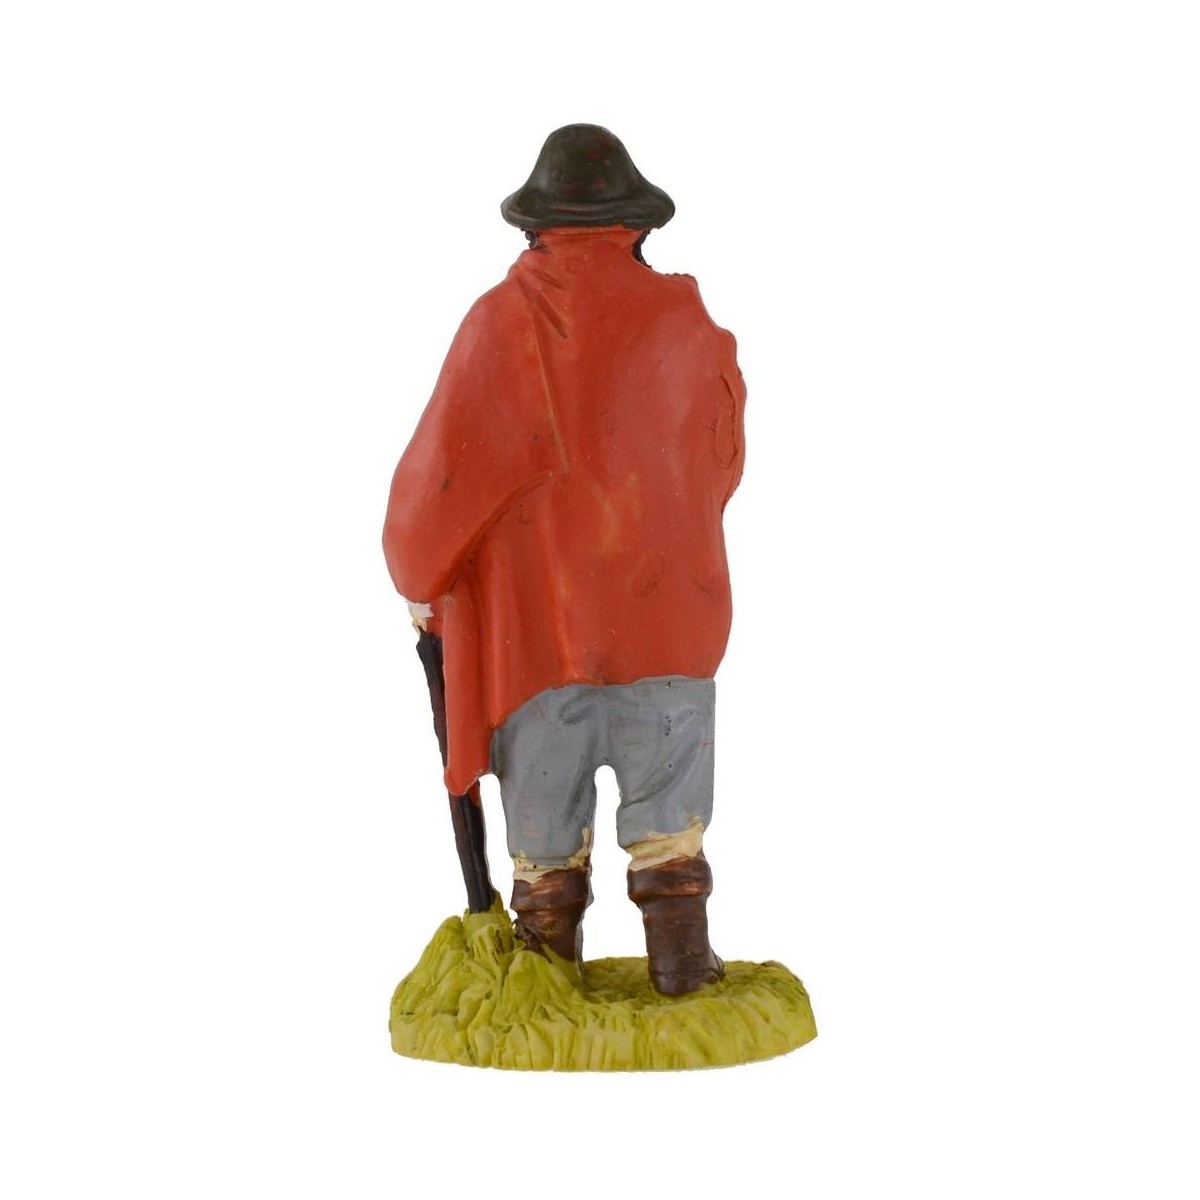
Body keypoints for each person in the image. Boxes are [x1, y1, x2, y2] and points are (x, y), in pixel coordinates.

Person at [383, 124, 746, 995]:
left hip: (539, 640)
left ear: (535, 227)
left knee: (544, 838)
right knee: (671, 828)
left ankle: (546, 978)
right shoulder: (690, 327)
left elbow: (443, 472)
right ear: (638, 225)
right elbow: (724, 462)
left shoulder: (501, 325)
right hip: (670, 625)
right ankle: (682, 966)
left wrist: (418, 572)